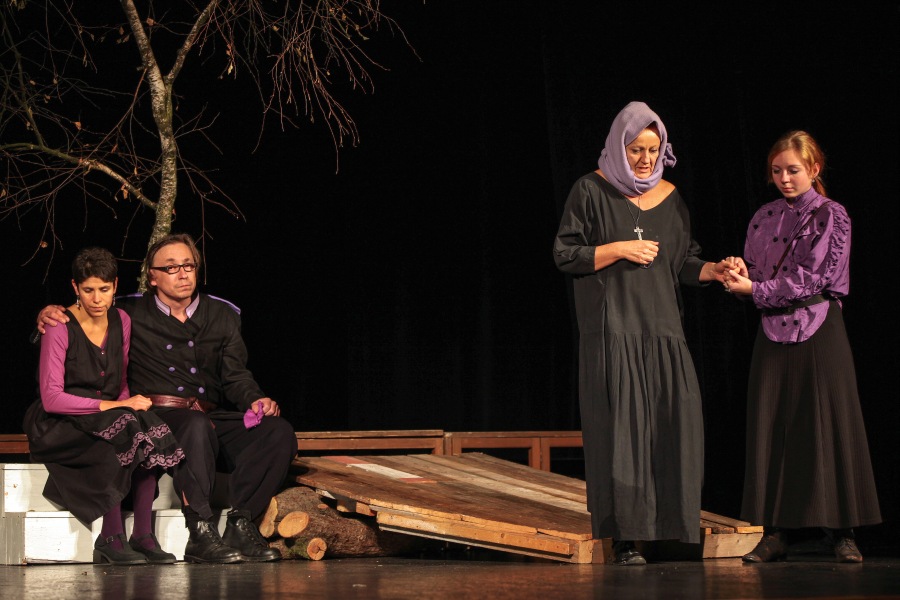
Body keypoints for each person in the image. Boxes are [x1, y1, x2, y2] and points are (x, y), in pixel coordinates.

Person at [37, 233, 298, 564]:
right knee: (194, 424)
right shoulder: (129, 309)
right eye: (171, 267)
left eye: (189, 265)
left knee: (277, 432)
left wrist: (255, 399)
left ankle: (242, 523)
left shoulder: (223, 314)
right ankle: (200, 531)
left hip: (206, 416)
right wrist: (48, 313)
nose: (183, 273)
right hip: (159, 416)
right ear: (152, 276)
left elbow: (235, 376)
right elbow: (84, 312)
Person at [553, 101, 738, 565]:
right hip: (615, 331)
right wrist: (619, 248)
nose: (645, 159)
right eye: (636, 149)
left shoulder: (672, 199)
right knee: (622, 435)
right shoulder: (590, 189)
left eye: (653, 150)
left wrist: (713, 270)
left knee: (675, 427)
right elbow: (565, 254)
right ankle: (626, 538)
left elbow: (683, 262)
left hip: (664, 331)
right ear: (620, 146)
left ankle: (670, 530)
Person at [723, 130, 881, 563]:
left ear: (814, 168)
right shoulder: (764, 216)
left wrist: (755, 289)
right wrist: (739, 274)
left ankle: (842, 532)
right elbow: (756, 272)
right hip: (772, 329)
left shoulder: (832, 215)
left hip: (819, 325)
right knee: (772, 425)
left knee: (829, 423)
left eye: (793, 170)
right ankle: (775, 533)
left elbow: (813, 279)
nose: (784, 179)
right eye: (777, 171)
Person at [23, 247, 186, 565]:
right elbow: (52, 398)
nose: (97, 299)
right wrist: (118, 406)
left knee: (148, 426)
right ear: (75, 287)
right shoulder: (59, 325)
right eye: (88, 290)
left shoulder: (121, 320)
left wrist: (126, 408)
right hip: (60, 421)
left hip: (105, 414)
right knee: (122, 429)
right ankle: (110, 536)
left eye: (104, 289)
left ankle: (143, 535)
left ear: (115, 285)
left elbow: (119, 381)